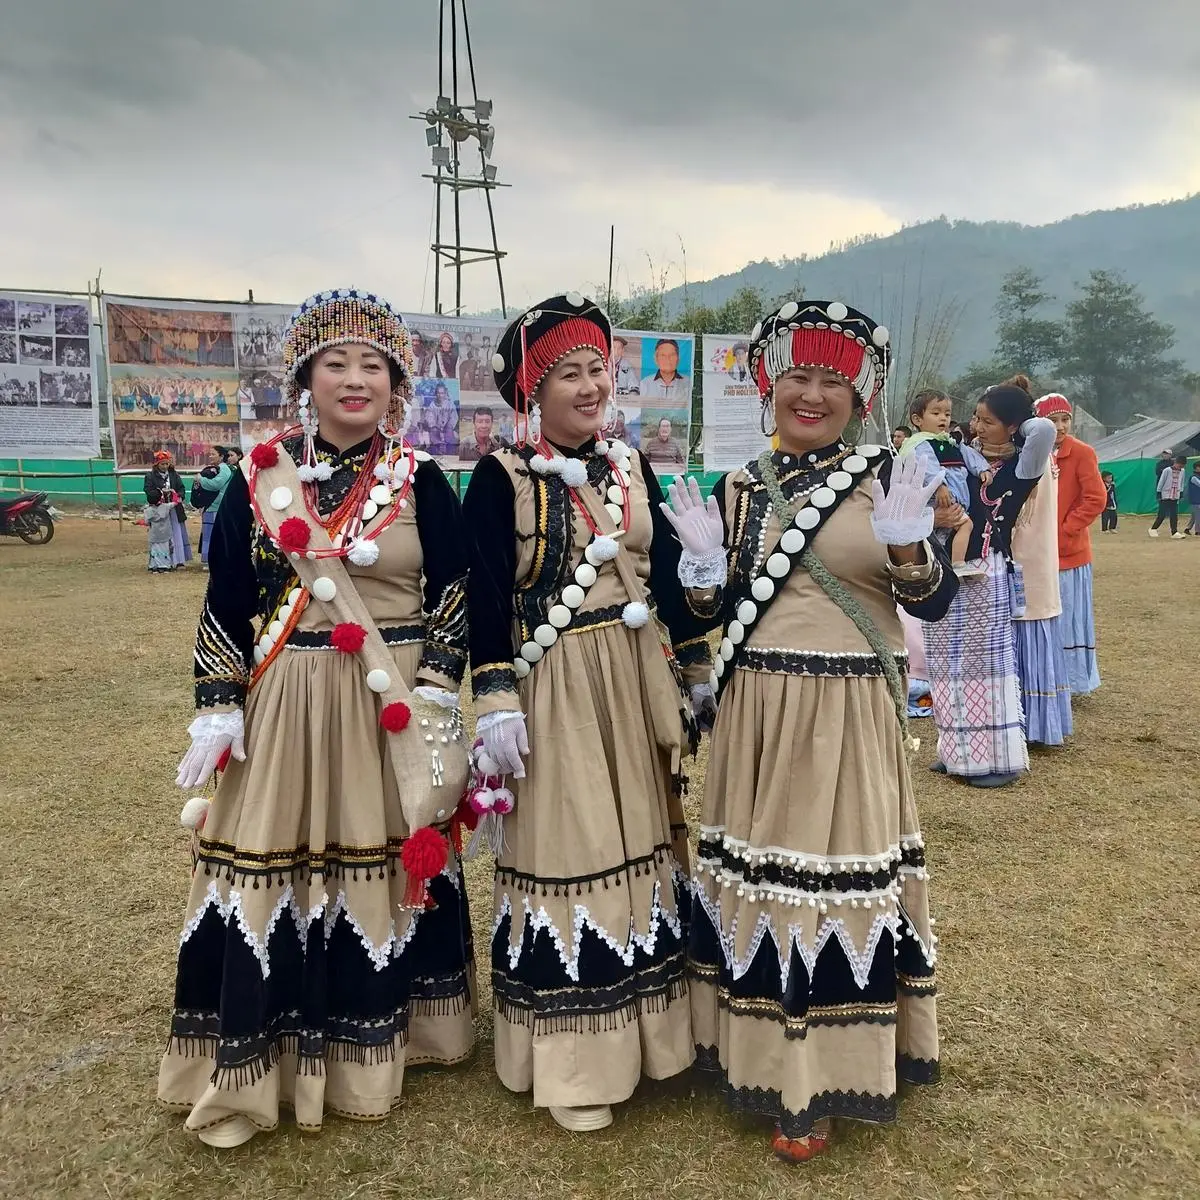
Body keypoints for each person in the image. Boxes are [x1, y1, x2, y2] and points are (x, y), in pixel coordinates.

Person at [159, 287, 475, 1147]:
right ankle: (265, 1056)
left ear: (395, 386)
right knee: (279, 863)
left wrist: (442, 684)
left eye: (373, 365)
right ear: (306, 377)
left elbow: (454, 592)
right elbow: (226, 599)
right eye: (336, 362)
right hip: (290, 703)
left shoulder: (424, 482)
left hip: (392, 708)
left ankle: (396, 1040)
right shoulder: (261, 479)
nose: (355, 379)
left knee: (386, 856)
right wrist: (220, 706)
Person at [663, 298, 957, 1164]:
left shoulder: (888, 478)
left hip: (848, 711)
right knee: (760, 876)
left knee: (832, 881)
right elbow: (707, 612)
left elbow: (932, 600)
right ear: (768, 383)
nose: (813, 393)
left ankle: (821, 1077)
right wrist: (705, 575)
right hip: (757, 709)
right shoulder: (740, 485)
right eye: (798, 374)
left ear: (860, 391)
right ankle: (742, 1048)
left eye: (833, 378)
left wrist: (910, 549)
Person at [463, 293, 714, 1134]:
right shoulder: (499, 478)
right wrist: (494, 691)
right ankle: (576, 1068)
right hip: (558, 684)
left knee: (643, 840)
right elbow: (486, 595)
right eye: (568, 372)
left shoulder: (628, 466)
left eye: (598, 369)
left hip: (632, 677)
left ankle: (658, 1046)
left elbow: (671, 578)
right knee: (572, 846)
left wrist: (697, 663)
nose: (588, 385)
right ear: (533, 390)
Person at [921, 381, 1056, 787]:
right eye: (976, 417)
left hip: (986, 571)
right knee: (944, 663)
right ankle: (954, 749)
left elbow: (1045, 430)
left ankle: (993, 761)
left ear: (1013, 426)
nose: (976, 425)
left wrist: (1021, 420)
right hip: (948, 566)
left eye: (988, 420)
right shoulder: (964, 456)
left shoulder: (1024, 462)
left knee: (983, 667)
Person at [1006, 378, 1071, 748]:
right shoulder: (1034, 452)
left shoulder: (1033, 450)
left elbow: (1043, 426)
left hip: (1029, 556)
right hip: (1033, 558)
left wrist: (1024, 423)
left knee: (1030, 626)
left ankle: (1031, 724)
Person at [1036, 393, 1106, 695]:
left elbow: (1095, 498)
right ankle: (1047, 677)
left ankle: (1072, 680)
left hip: (1068, 553)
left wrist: (1066, 530)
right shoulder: (1033, 452)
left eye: (1065, 419)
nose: (1061, 426)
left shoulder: (1082, 453)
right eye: (1053, 420)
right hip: (1039, 551)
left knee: (1067, 618)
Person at [899, 390, 991, 577]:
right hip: (936, 499)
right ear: (917, 420)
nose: (943, 418)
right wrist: (939, 486)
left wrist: (982, 469)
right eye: (936, 413)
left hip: (954, 501)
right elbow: (925, 466)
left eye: (947, 414)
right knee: (950, 531)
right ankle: (949, 566)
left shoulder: (951, 441)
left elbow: (969, 455)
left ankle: (952, 566)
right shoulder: (920, 444)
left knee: (949, 534)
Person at [143, 450, 191, 571]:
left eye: (167, 464)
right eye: (162, 464)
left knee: (176, 533)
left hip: (174, 509)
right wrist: (160, 494)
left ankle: (179, 560)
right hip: (159, 509)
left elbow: (181, 488)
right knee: (161, 536)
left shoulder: (174, 474)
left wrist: (176, 495)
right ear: (157, 464)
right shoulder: (150, 476)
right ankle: (161, 562)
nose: (165, 466)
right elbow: (148, 491)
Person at [194, 445, 233, 567]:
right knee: (208, 533)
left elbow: (215, 485)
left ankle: (213, 560)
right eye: (209, 454)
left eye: (213, 454)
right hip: (211, 506)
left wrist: (201, 479)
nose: (210, 456)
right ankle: (209, 559)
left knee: (214, 534)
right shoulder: (216, 468)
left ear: (221, 456)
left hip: (217, 506)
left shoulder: (224, 469)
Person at [639, 338, 690, 403]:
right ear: (656, 359)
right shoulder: (645, 384)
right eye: (663, 355)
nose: (667, 359)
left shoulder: (688, 383)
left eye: (672, 355)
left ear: (678, 359)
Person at [1151, 456, 1187, 538]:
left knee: (1174, 515)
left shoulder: (1183, 471)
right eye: (1179, 465)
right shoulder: (1167, 470)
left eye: (1182, 466)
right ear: (1176, 463)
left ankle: (1174, 532)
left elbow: (1181, 482)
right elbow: (1161, 481)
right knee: (1162, 514)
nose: (1180, 467)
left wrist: (1181, 492)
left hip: (1175, 495)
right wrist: (1159, 492)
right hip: (1165, 495)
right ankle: (1153, 529)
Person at [1186, 461, 1200, 534]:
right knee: (1198, 516)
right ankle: (1198, 531)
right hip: (1195, 499)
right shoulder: (1194, 477)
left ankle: (1187, 529)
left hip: (1197, 499)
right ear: (1197, 468)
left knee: (1195, 515)